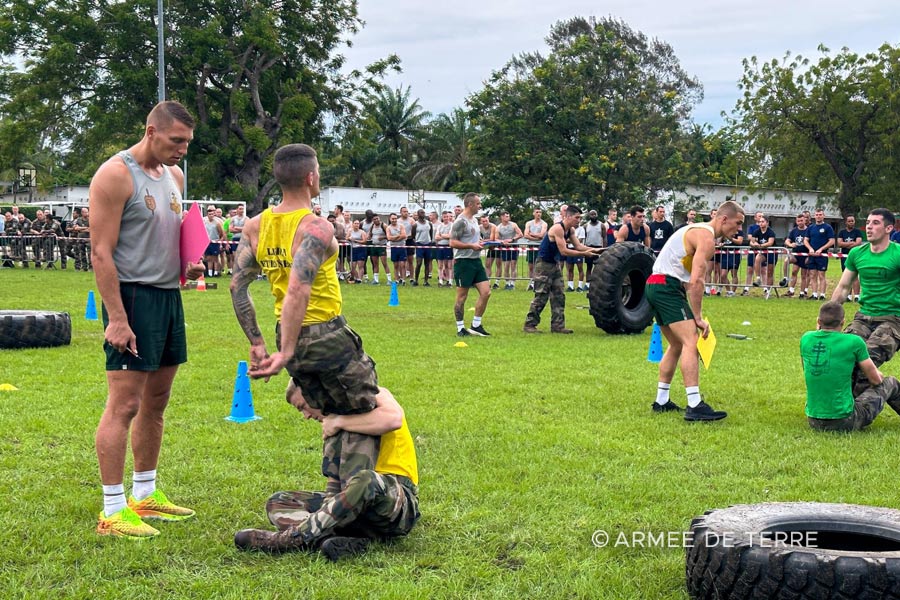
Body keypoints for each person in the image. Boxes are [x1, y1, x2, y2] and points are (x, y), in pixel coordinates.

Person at [229, 143, 388, 515]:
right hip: (324, 334)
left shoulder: (256, 226)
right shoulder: (315, 226)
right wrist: (283, 351)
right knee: (363, 410)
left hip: (291, 337)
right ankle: (353, 510)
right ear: (312, 178)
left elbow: (238, 286)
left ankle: (333, 496)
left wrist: (259, 343)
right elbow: (299, 286)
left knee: (336, 411)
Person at [90, 100, 202, 538]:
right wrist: (116, 318)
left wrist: (186, 265)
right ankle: (113, 511)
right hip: (132, 297)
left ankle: (145, 495)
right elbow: (101, 251)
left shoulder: (173, 176)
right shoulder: (115, 174)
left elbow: (166, 234)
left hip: (168, 297)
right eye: (177, 141)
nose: (183, 151)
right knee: (125, 405)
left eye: (188, 142)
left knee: (156, 403)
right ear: (151, 132)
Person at [235, 386, 419, 560]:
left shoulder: (373, 395)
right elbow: (334, 480)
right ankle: (338, 540)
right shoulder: (332, 424)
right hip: (352, 502)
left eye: (303, 407)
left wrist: (340, 422)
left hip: (394, 499)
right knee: (279, 501)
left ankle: (294, 538)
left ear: (315, 395)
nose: (305, 415)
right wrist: (330, 505)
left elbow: (394, 419)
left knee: (366, 480)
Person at [646, 200, 745, 421]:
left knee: (676, 344)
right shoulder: (707, 237)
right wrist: (698, 317)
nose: (739, 229)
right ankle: (694, 404)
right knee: (691, 340)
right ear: (723, 219)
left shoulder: (695, 230)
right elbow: (698, 279)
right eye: (738, 223)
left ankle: (661, 400)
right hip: (666, 287)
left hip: (654, 283)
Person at [830, 208, 900, 396]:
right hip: (863, 317)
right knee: (842, 355)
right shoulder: (857, 254)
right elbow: (844, 287)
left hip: (893, 319)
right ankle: (844, 405)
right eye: (868, 222)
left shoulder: (898, 253)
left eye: (875, 223)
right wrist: (828, 316)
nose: (869, 227)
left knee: (865, 360)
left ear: (889, 229)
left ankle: (856, 409)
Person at [801, 301, 900, 432]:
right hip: (845, 421)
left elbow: (807, 369)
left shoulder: (806, 339)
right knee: (890, 383)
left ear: (818, 321)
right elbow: (875, 380)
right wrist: (878, 374)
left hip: (813, 420)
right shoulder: (854, 342)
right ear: (843, 322)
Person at [523, 205, 599, 334]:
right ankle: (530, 324)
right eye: (576, 217)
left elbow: (579, 246)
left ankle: (558, 326)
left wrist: (595, 250)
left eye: (579, 218)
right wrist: (585, 254)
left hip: (554, 264)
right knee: (541, 296)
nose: (578, 220)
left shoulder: (571, 230)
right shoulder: (558, 228)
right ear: (568, 216)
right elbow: (564, 251)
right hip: (544, 265)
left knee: (559, 295)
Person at [450, 193, 492, 336]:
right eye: (478, 203)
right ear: (470, 204)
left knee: (486, 292)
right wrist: (471, 246)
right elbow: (452, 242)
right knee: (462, 297)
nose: (480, 206)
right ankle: (460, 328)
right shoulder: (461, 221)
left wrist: (485, 243)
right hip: (463, 262)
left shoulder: (474, 220)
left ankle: (476, 325)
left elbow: (475, 240)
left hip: (475, 261)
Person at [804, 208, 835, 300]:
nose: (818, 216)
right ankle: (814, 294)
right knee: (812, 275)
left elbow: (832, 241)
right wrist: (810, 248)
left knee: (822, 275)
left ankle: (822, 295)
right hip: (812, 255)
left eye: (820, 214)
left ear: (823, 216)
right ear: (814, 216)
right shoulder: (811, 228)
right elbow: (805, 240)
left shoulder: (828, 227)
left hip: (822, 255)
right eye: (817, 215)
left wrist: (821, 249)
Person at [749, 214, 777, 300]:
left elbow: (770, 243)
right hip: (763, 252)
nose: (760, 223)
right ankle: (758, 278)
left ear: (767, 223)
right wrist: (754, 244)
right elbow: (751, 242)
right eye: (760, 222)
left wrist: (760, 245)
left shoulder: (771, 232)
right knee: (757, 258)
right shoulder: (756, 231)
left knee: (769, 272)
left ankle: (768, 290)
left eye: (762, 222)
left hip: (772, 253)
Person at [836, 215, 863, 302]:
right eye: (850, 221)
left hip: (855, 256)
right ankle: (848, 295)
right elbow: (839, 243)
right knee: (846, 275)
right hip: (844, 256)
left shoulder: (857, 232)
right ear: (846, 222)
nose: (851, 222)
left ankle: (856, 295)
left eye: (853, 221)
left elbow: (858, 243)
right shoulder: (842, 232)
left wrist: (847, 244)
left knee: (855, 276)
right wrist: (851, 243)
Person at [784, 214, 810, 298]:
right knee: (793, 271)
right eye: (798, 221)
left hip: (805, 255)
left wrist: (809, 255)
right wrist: (791, 245)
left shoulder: (808, 230)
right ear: (796, 221)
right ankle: (789, 287)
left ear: (805, 220)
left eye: (801, 220)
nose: (800, 222)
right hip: (796, 255)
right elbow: (787, 241)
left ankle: (802, 293)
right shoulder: (794, 231)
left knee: (804, 275)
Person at [496, 211, 522, 290]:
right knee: (506, 266)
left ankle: (513, 283)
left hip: (514, 247)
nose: (508, 217)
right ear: (502, 217)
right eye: (506, 216)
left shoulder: (513, 225)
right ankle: (507, 283)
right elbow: (496, 238)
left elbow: (520, 234)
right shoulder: (499, 227)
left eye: (508, 216)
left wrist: (512, 239)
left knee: (513, 265)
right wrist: (502, 242)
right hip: (504, 248)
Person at [523, 208, 547, 290]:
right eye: (537, 212)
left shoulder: (544, 224)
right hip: (531, 246)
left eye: (540, 212)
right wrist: (536, 237)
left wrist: (531, 235)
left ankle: (539, 282)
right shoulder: (529, 223)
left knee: (540, 266)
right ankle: (531, 283)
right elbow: (525, 235)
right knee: (531, 265)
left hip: (540, 246)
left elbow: (541, 235)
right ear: (533, 213)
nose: (539, 214)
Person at [583, 210, 606, 287]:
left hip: (598, 248)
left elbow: (604, 237)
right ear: (589, 216)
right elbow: (584, 237)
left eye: (595, 214)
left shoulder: (602, 225)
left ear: (597, 215)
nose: (593, 216)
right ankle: (587, 284)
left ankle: (597, 284)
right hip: (588, 247)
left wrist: (604, 249)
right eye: (591, 214)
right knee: (589, 266)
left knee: (598, 267)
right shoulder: (586, 226)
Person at [411, 209, 433, 286]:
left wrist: (430, 242)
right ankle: (415, 280)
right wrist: (416, 244)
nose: (423, 214)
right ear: (418, 214)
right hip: (419, 244)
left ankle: (426, 281)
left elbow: (431, 234)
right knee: (419, 263)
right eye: (421, 213)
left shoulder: (429, 223)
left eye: (424, 212)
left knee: (427, 263)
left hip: (427, 244)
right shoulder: (415, 225)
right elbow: (413, 236)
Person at [203, 205, 226, 276]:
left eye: (212, 214)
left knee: (215, 258)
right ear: (207, 215)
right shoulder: (205, 222)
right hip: (208, 242)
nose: (211, 216)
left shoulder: (217, 223)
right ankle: (209, 273)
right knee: (209, 258)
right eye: (209, 214)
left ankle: (216, 272)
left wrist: (220, 242)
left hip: (215, 242)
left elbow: (222, 234)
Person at [386, 213, 408, 285]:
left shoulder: (401, 226)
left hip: (402, 247)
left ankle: (403, 279)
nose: (394, 220)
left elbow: (404, 235)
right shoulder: (388, 228)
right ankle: (397, 279)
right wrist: (398, 236)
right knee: (395, 265)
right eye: (393, 219)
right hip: (394, 248)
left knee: (402, 264)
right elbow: (389, 238)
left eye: (395, 218)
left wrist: (394, 238)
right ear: (390, 219)